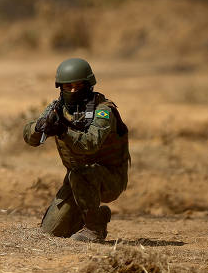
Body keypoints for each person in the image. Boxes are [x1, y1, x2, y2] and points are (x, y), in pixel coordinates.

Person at [23, 57, 131, 242]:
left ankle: (94, 228)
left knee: (82, 172)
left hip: (109, 179)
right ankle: (89, 216)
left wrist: (63, 131)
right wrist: (40, 127)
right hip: (76, 181)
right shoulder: (57, 108)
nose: (73, 91)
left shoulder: (103, 110)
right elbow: (30, 138)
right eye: (68, 87)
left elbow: (91, 144)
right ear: (60, 87)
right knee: (50, 233)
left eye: (78, 86)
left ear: (89, 85)